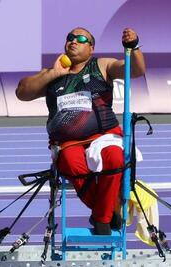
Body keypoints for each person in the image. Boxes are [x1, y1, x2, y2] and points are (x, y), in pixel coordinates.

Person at [16, 27, 146, 235]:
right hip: (68, 142)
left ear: (91, 48)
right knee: (70, 161)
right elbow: (22, 92)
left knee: (114, 157)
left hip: (104, 136)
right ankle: (107, 212)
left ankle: (101, 219)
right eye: (70, 38)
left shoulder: (101, 65)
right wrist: (53, 73)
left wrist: (133, 46)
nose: (73, 41)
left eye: (81, 39)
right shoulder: (53, 73)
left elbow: (136, 70)